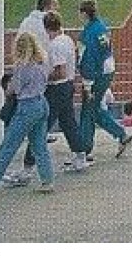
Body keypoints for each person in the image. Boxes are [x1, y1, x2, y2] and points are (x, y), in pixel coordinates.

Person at [0, 34, 54, 198]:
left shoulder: (22, 67)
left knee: (7, 147)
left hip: (27, 106)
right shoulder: (42, 63)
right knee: (39, 145)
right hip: (42, 103)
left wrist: (10, 88)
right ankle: (47, 180)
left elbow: (15, 89)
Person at [75, 0, 132, 158]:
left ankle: (84, 149)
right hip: (108, 69)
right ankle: (120, 135)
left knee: (88, 111)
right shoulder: (101, 26)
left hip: (96, 74)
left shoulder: (87, 35)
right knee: (94, 109)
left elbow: (88, 59)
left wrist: (87, 82)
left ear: (84, 13)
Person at [42, 11, 87, 172]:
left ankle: (29, 164)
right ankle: (80, 155)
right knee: (68, 122)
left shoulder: (55, 45)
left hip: (57, 88)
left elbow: (59, 71)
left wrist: (44, 78)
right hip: (67, 85)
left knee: (42, 125)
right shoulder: (67, 39)